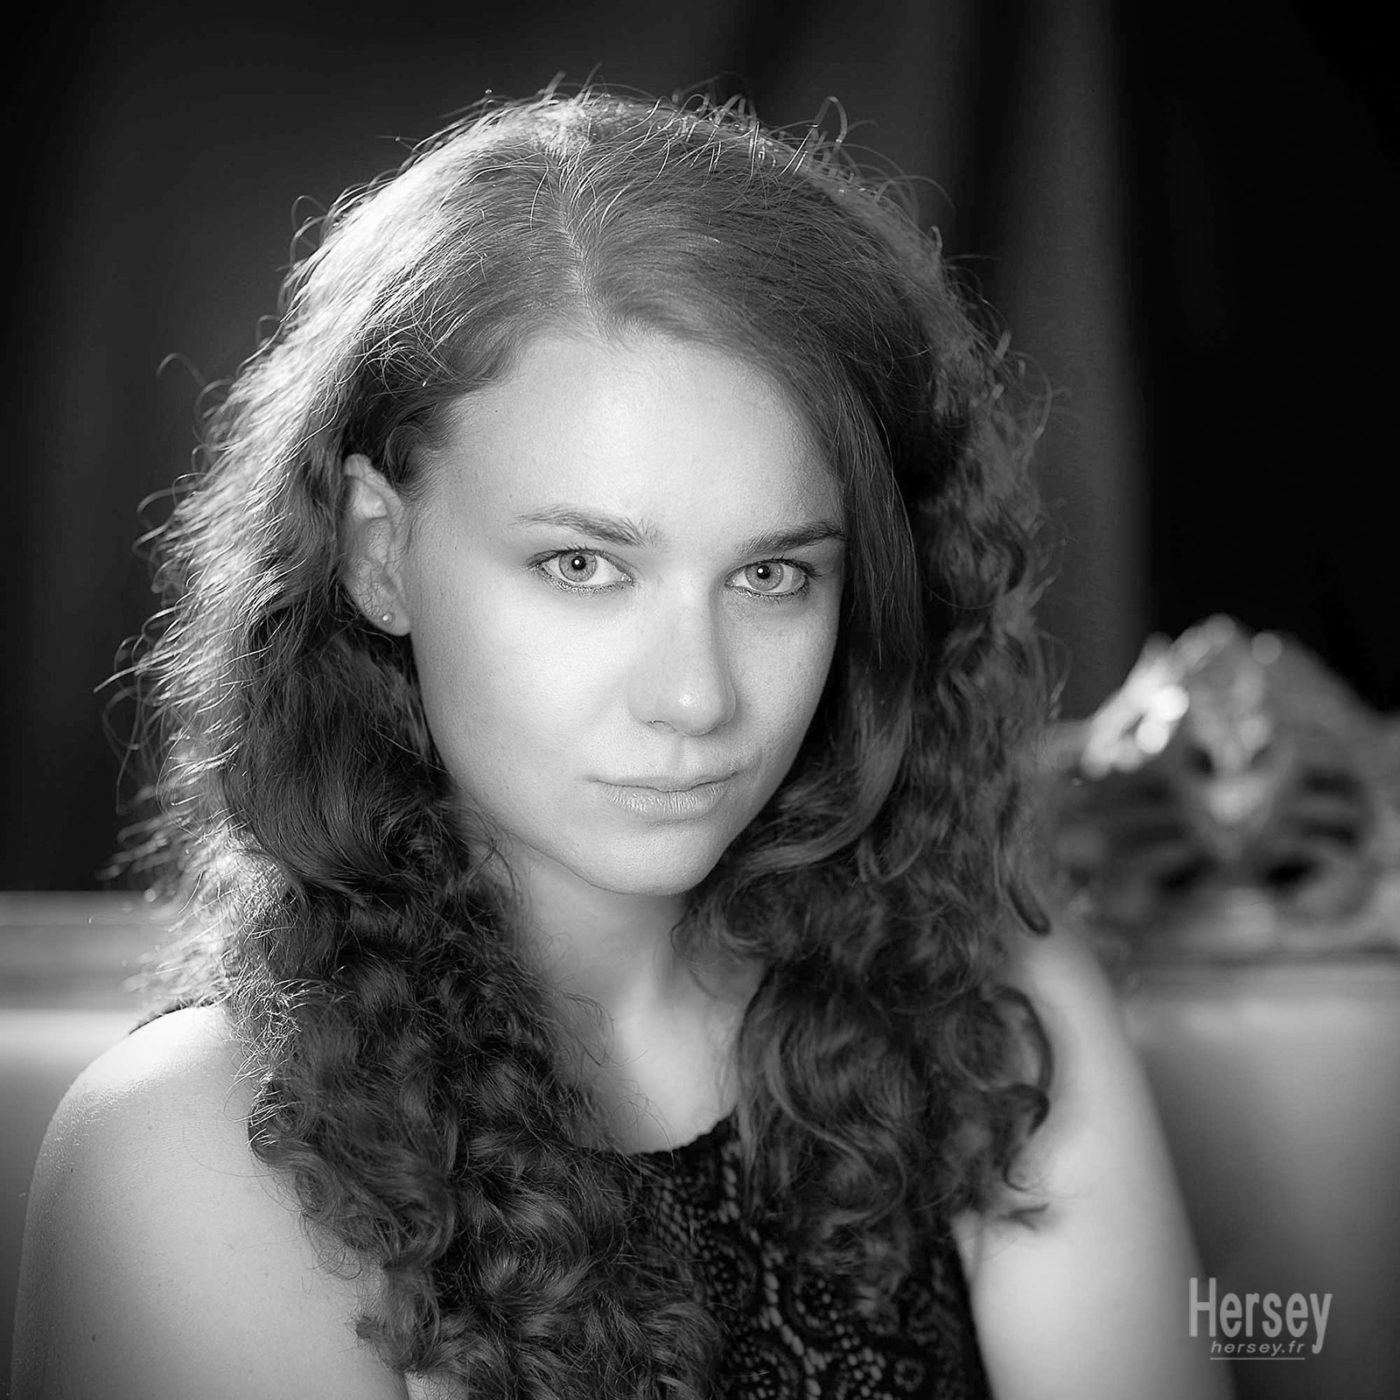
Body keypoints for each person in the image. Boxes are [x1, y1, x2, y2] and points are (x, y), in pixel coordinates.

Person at [11, 89, 1227, 1400]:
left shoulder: (991, 1007)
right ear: (379, 553)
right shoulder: (193, 1154)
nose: (696, 699)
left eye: (771, 577)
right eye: (584, 565)